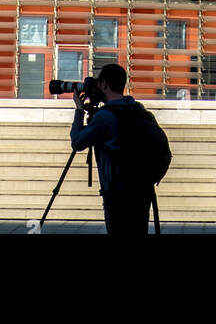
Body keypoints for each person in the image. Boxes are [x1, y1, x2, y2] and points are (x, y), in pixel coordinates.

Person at [69, 63, 163, 236]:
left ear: (104, 84)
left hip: (117, 196)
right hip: (142, 192)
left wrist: (79, 111)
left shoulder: (105, 116)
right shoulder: (140, 111)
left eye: (99, 83)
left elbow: (77, 142)